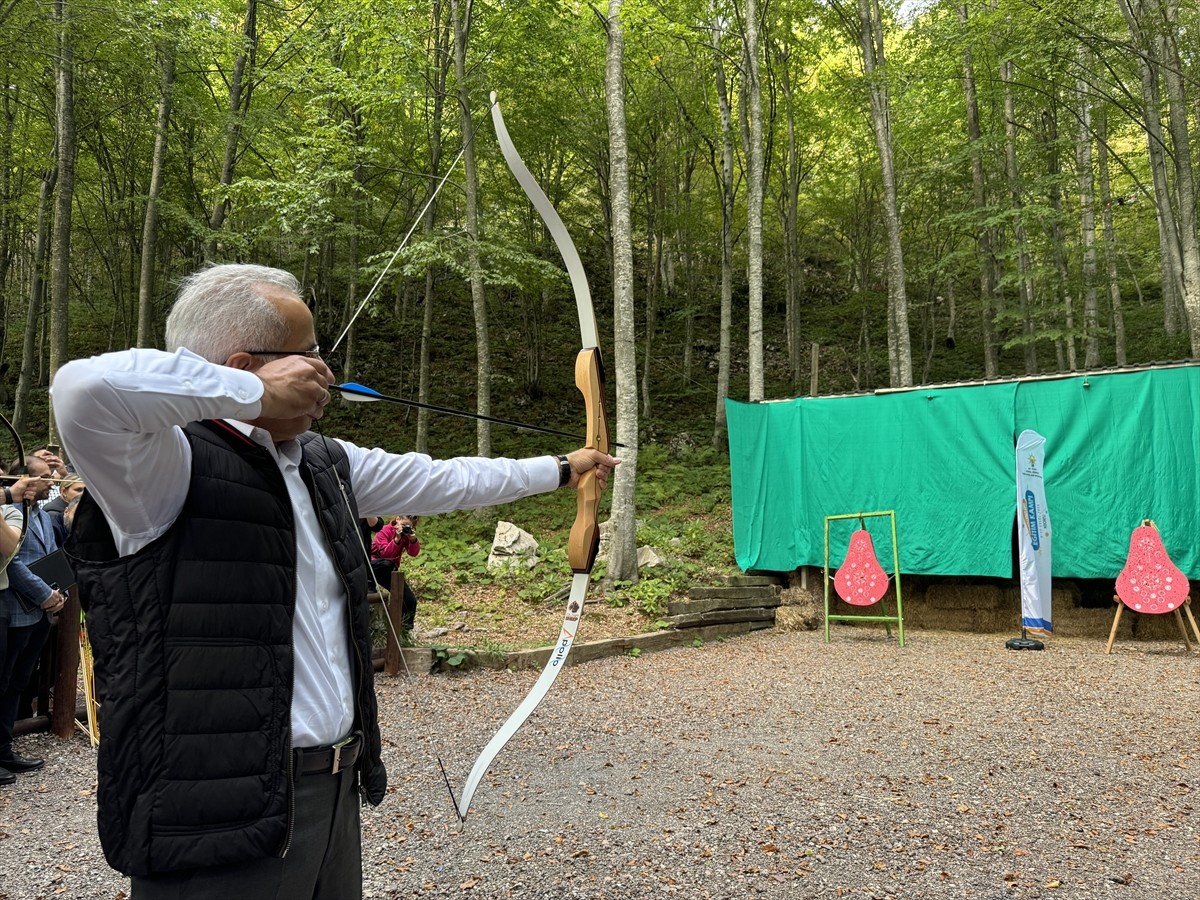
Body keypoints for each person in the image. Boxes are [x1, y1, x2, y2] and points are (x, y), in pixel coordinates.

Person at [52, 262, 618, 899]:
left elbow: (446, 479)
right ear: (244, 366)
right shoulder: (162, 467)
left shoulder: (322, 461)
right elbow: (81, 388)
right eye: (311, 355)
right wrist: (252, 395)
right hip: (211, 814)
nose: (326, 372)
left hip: (331, 792)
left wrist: (561, 469)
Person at [0, 456, 67, 784]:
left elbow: (51, 556)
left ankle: (4, 749)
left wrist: (60, 591)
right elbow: (12, 563)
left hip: (39, 613)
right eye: (43, 476)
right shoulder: (12, 514)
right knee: (3, 681)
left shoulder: (41, 514)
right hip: (14, 609)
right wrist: (44, 595)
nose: (52, 480)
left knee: (17, 683)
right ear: (23, 480)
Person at [370, 515, 422, 636]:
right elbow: (386, 554)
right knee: (387, 564)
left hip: (390, 570)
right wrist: (396, 539)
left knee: (410, 600)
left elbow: (413, 553)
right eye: (404, 525)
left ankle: (404, 631)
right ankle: (370, 585)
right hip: (374, 567)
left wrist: (413, 539)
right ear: (397, 519)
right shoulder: (384, 530)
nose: (405, 529)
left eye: (408, 527)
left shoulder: (406, 536)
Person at [42, 473, 85, 545]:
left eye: (86, 491)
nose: (83, 494)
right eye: (78, 490)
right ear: (64, 492)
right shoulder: (52, 515)